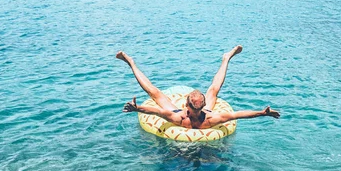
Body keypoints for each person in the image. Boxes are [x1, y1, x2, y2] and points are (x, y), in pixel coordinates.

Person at [117, 46, 280, 129]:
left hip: (191, 118)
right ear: (204, 106)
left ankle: (131, 63)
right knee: (214, 90)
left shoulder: (178, 117)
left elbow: (156, 111)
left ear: (185, 105)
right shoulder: (211, 118)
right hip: (200, 118)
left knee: (154, 93)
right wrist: (261, 113)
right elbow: (237, 115)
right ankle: (226, 58)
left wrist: (137, 108)